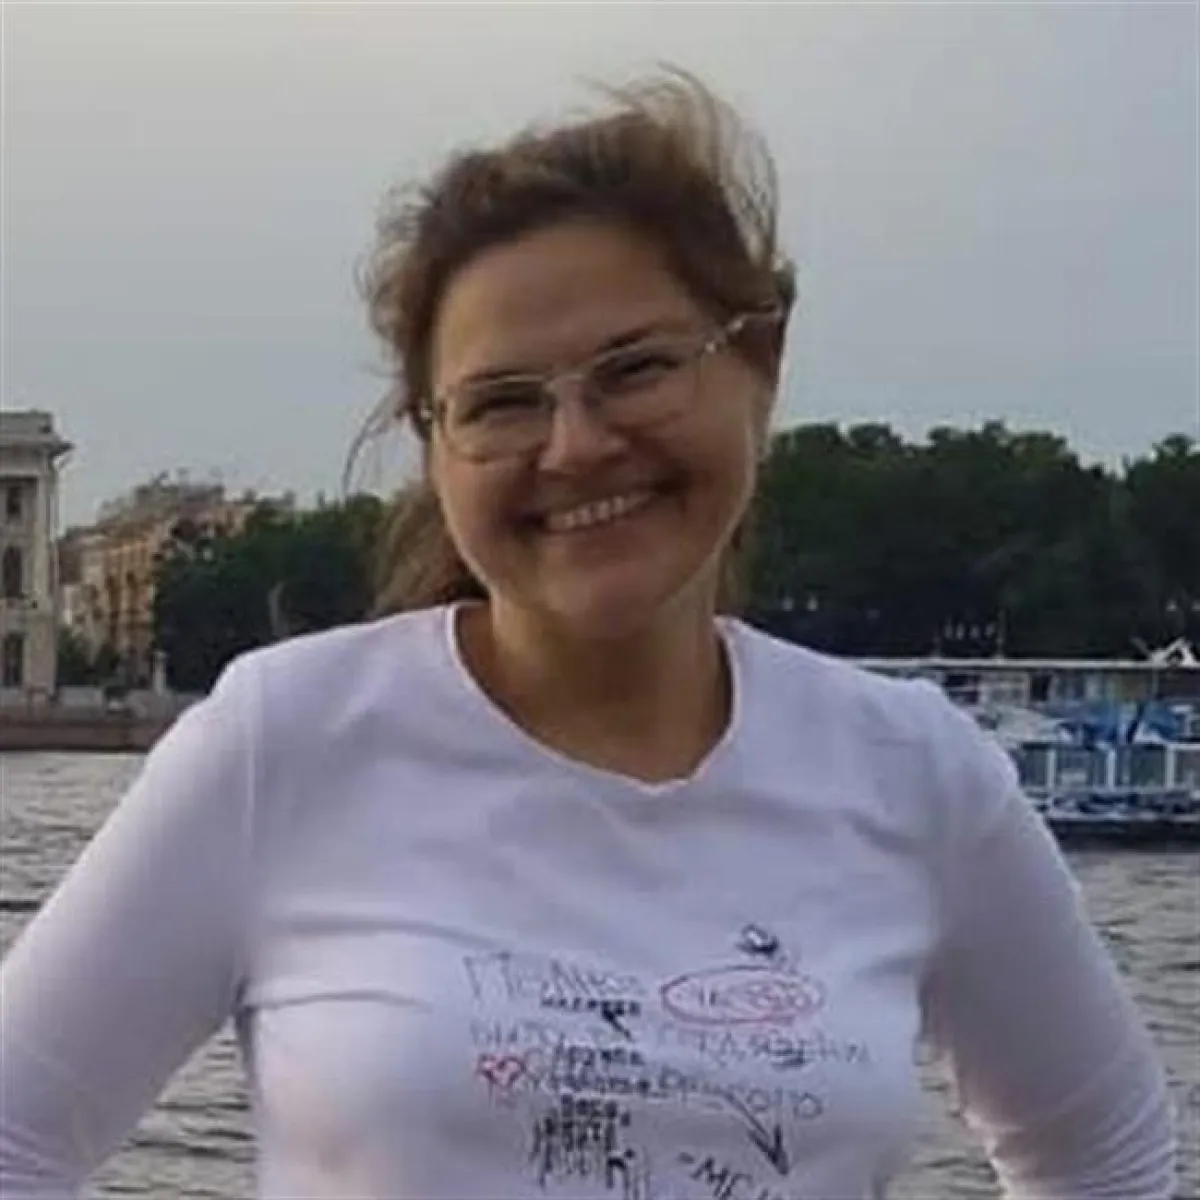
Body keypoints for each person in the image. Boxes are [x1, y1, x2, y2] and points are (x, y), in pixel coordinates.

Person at [0, 70, 1175, 1200]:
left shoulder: (918, 773)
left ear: (759, 365)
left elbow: (1106, 1162)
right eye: (504, 401)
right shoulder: (287, 741)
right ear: (435, 442)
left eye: (638, 369)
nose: (576, 446)